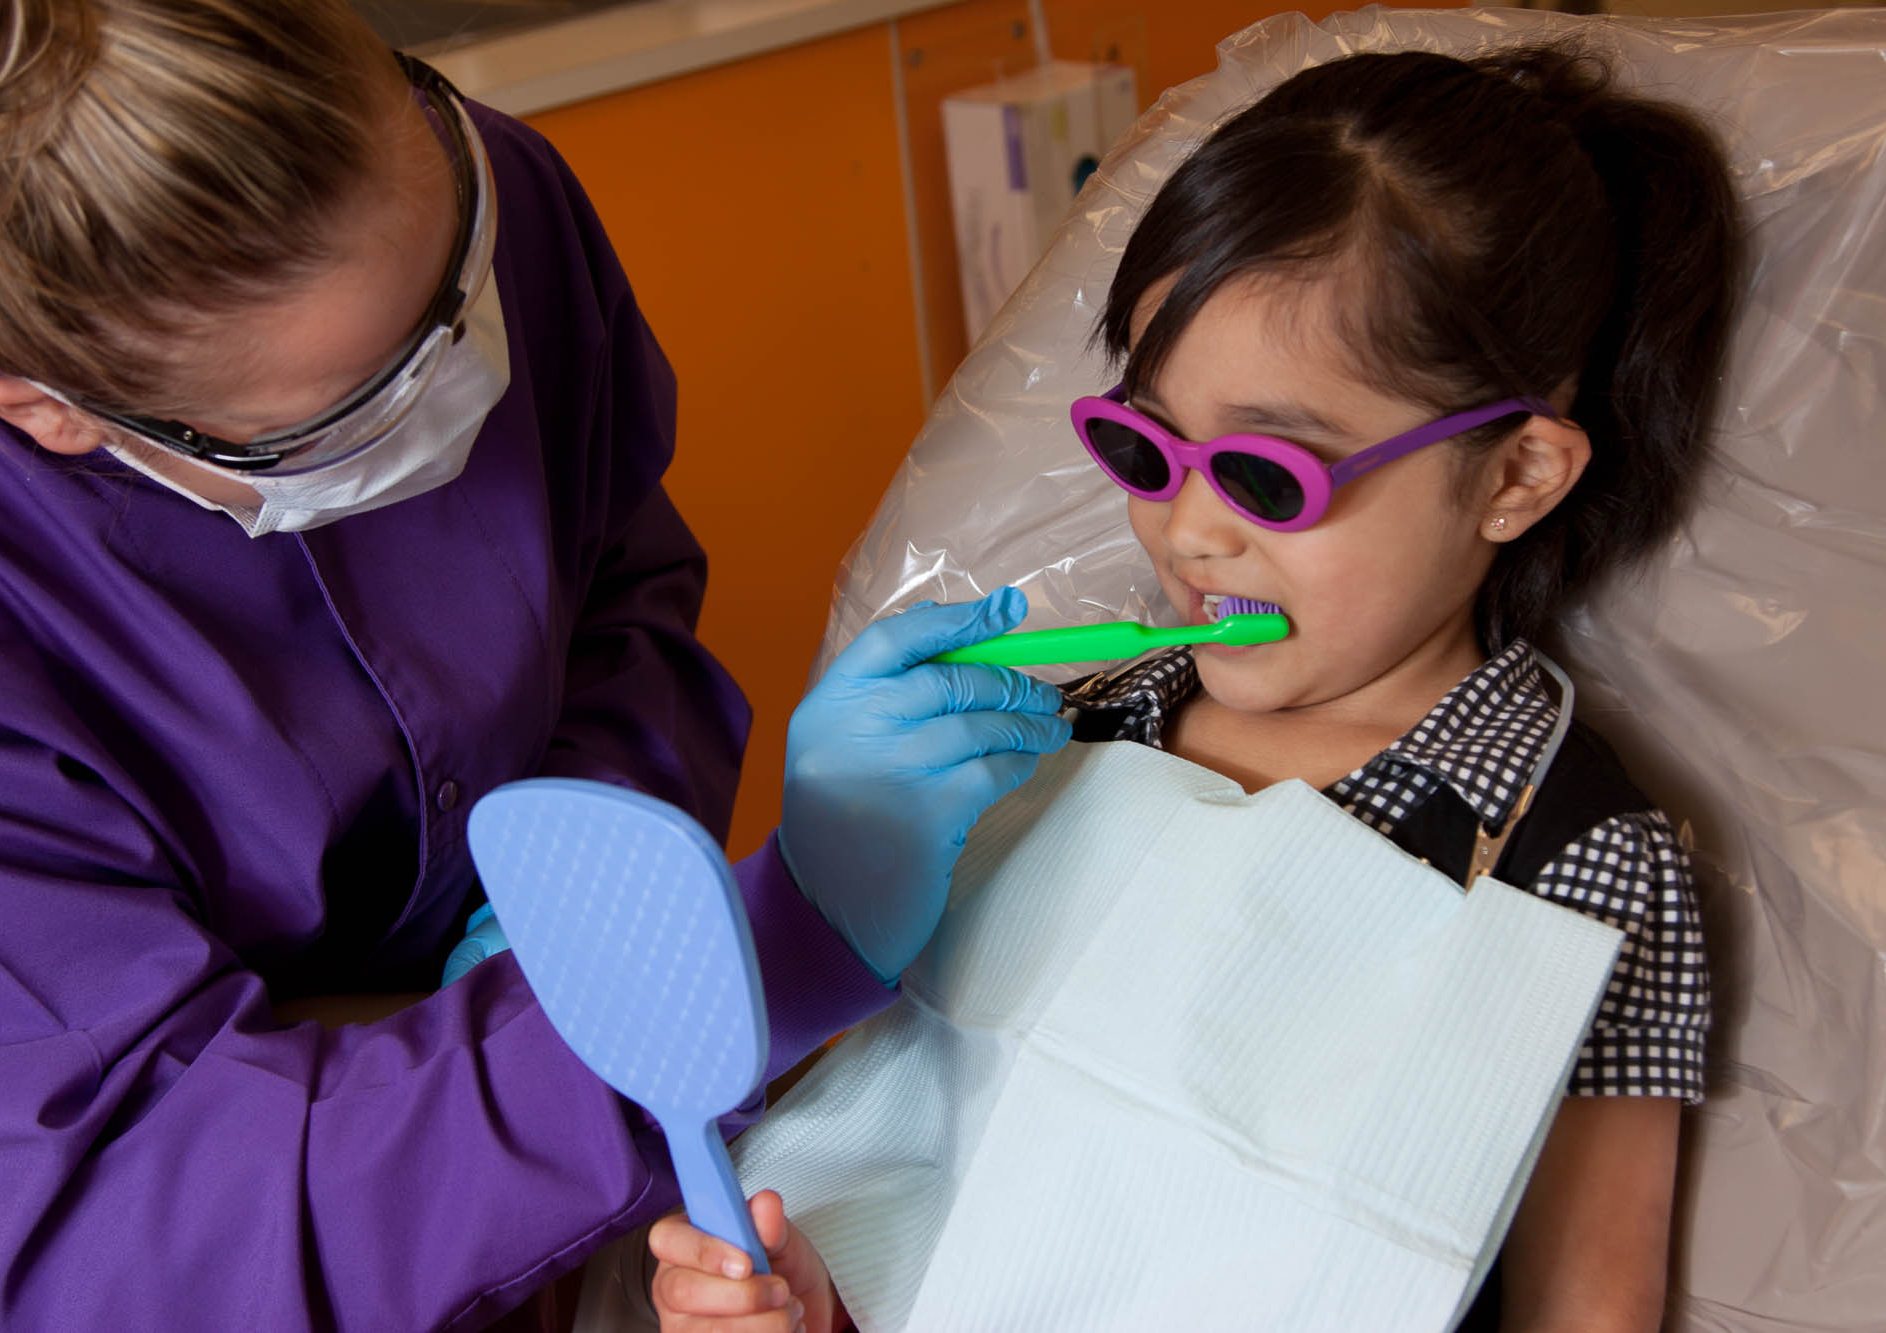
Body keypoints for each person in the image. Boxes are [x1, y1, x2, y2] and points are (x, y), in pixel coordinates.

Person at [0, 2, 1071, 1329]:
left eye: (460, 288)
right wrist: (742, 968)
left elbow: (616, 590)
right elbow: (140, 1230)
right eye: (346, 414)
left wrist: (579, 869)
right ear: (50, 415)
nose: (466, 383)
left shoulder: (469, 185)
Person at [651, 42, 1740, 1332]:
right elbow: (917, 1170)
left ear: (1515, 477)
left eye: (1272, 475)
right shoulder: (1067, 735)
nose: (1190, 533)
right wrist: (799, 1297)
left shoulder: (1577, 863)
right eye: (1146, 447)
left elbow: (1588, 1309)